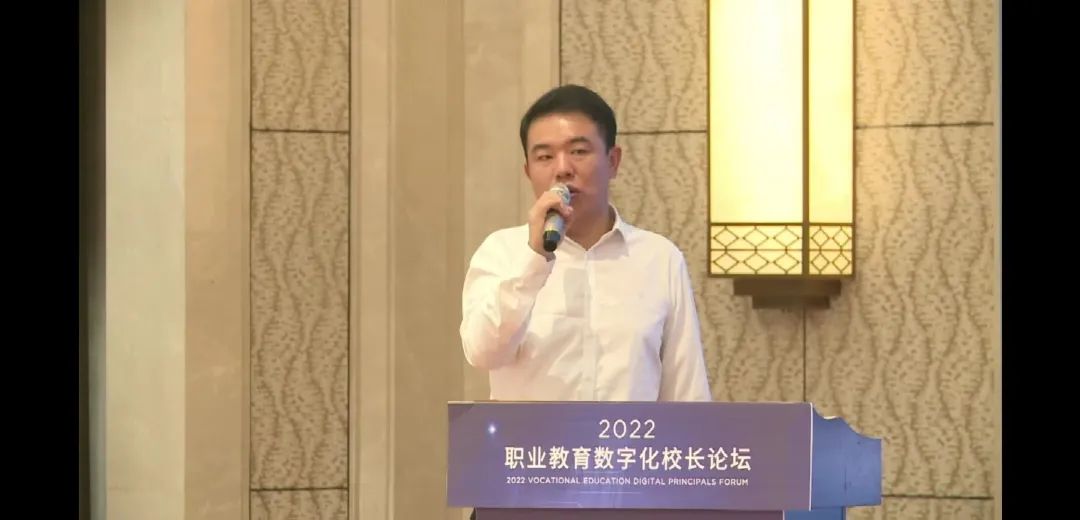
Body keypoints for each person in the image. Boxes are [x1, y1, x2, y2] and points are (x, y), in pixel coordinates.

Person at [459, 83, 711, 406]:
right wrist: (535, 257)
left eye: (578, 151)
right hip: (530, 441)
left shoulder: (659, 259)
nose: (563, 169)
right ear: (528, 171)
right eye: (545, 156)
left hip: (627, 441)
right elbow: (482, 353)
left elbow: (687, 393)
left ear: (613, 161)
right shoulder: (502, 252)